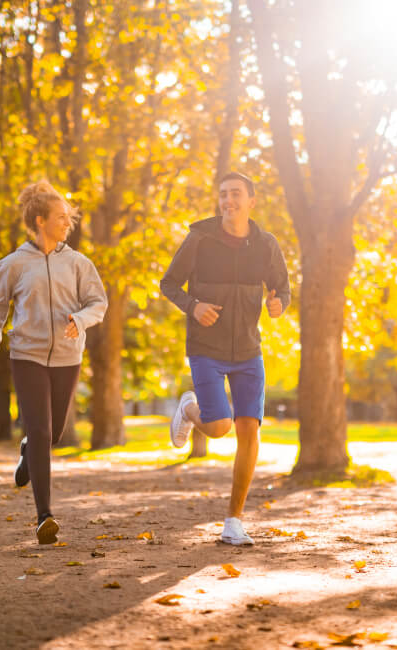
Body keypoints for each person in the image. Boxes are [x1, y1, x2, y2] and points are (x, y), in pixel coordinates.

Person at [160, 171, 290, 546]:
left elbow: (283, 287)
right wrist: (193, 305)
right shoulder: (200, 239)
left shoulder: (266, 244)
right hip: (206, 347)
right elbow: (169, 283)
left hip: (249, 349)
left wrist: (279, 303)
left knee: (250, 429)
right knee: (219, 428)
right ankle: (189, 408)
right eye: (223, 195)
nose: (228, 200)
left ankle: (233, 520)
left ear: (251, 200)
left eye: (235, 193)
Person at [0, 181, 107, 545]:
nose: (68, 223)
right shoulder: (14, 265)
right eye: (61, 217)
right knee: (40, 431)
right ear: (40, 221)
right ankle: (44, 516)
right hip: (28, 355)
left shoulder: (79, 263)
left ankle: (27, 453)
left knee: (53, 434)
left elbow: (98, 304)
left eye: (69, 217)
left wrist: (79, 320)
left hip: (68, 357)